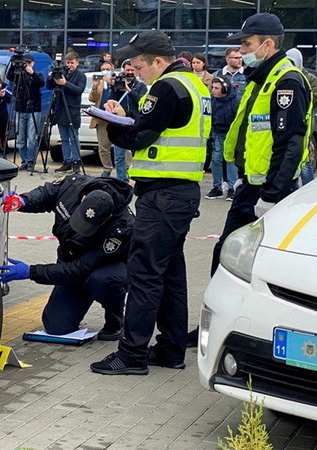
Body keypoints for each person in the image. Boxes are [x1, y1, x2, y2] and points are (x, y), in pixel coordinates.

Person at [90, 31, 210, 375]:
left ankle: (132, 354)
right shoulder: (195, 85)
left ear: (158, 61)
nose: (136, 73)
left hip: (162, 196)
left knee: (144, 274)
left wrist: (110, 125)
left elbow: (141, 136)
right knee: (170, 274)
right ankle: (171, 349)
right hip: (181, 193)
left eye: (140, 66)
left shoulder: (166, 87)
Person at [210, 13, 312, 276]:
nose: (242, 52)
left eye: (247, 45)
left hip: (269, 192)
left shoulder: (286, 81)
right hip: (250, 186)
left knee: (253, 264)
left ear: (267, 45)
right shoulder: (261, 78)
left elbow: (290, 143)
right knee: (226, 255)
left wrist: (271, 195)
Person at [0, 175, 134, 339]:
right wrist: (22, 201)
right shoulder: (72, 186)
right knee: (56, 326)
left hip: (104, 270)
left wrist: (31, 272)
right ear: (83, 199)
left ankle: (115, 322)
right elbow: (46, 194)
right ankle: (80, 297)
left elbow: (79, 269)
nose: (81, 229)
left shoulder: (121, 229)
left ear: (107, 218)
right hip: (71, 263)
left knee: (102, 281)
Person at [286, 48, 317, 185]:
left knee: (305, 161)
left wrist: (301, 95)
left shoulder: (310, 79)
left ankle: (309, 188)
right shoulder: (285, 76)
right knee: (290, 161)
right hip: (287, 123)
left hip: (304, 124)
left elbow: (316, 100)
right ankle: (292, 190)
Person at [47, 51, 87, 173]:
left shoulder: (81, 76)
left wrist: (66, 83)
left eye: (72, 63)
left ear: (77, 63)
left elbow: (79, 90)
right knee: (64, 138)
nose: (69, 65)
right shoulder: (62, 73)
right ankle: (67, 161)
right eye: (68, 62)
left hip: (72, 109)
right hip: (61, 109)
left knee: (73, 137)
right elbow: (49, 87)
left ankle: (76, 162)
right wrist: (50, 77)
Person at [109, 59, 148, 183]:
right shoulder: (118, 84)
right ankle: (122, 180)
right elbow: (111, 101)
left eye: (132, 70)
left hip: (135, 122)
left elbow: (142, 101)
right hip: (120, 122)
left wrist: (128, 90)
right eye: (128, 70)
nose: (130, 72)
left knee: (136, 153)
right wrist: (114, 88)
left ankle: (137, 178)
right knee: (119, 155)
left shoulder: (141, 86)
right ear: (123, 71)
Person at [206, 76, 242, 200]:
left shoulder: (236, 100)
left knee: (230, 160)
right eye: (213, 87)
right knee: (216, 159)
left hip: (232, 133)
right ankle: (217, 187)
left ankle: (232, 188)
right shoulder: (212, 100)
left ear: (225, 89)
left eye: (217, 88)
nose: (213, 90)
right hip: (218, 133)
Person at [7, 53, 44, 172]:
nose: (26, 65)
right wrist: (13, 65)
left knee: (32, 138)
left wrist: (31, 73)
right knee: (21, 138)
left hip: (33, 109)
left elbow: (41, 82)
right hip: (20, 108)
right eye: (25, 63)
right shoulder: (19, 75)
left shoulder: (36, 75)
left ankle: (31, 161)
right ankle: (23, 160)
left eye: (28, 63)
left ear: (32, 64)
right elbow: (10, 77)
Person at [90, 62, 115, 177]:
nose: (105, 71)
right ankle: (107, 168)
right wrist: (95, 86)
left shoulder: (116, 82)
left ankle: (126, 168)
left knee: (122, 148)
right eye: (103, 69)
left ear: (112, 70)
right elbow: (92, 98)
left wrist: (110, 82)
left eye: (107, 69)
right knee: (103, 147)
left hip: (115, 118)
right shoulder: (99, 84)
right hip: (101, 119)